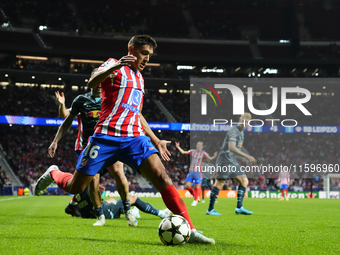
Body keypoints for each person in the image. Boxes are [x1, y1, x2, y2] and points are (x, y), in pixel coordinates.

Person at [35, 34, 215, 244]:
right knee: (76, 187)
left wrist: (155, 140)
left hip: (134, 139)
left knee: (162, 177)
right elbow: (93, 81)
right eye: (144, 53)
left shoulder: (139, 77)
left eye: (150, 55)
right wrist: (115, 66)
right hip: (105, 138)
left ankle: (190, 230)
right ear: (131, 50)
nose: (147, 58)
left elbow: (136, 112)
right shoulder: (114, 64)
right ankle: (54, 172)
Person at [42, 81, 136, 227]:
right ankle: (100, 216)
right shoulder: (81, 100)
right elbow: (66, 117)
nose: (99, 84)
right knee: (94, 181)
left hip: (109, 143)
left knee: (119, 173)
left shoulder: (113, 98)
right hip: (89, 146)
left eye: (102, 81)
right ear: (90, 82)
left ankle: (128, 210)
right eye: (96, 80)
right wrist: (55, 140)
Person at [206, 113, 256, 216]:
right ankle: (210, 209)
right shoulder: (233, 131)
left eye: (247, 122)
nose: (245, 124)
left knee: (244, 181)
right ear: (239, 120)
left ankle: (239, 207)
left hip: (232, 161)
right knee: (219, 184)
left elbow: (238, 148)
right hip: (224, 160)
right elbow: (231, 147)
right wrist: (247, 156)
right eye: (243, 121)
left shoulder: (241, 133)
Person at [65, 180, 171, 220]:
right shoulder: (89, 178)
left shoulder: (77, 184)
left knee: (111, 199)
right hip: (99, 211)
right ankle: (161, 213)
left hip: (86, 213)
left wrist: (97, 191)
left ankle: (133, 212)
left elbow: (85, 199)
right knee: (133, 198)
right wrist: (96, 189)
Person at [175, 141, 217, 206]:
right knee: (188, 186)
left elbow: (210, 159)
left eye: (200, 145)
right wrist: (178, 147)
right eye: (197, 145)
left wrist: (214, 156)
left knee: (198, 186)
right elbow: (183, 152)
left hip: (198, 172)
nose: (198, 146)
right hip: (191, 171)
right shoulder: (193, 151)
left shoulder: (203, 153)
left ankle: (195, 201)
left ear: (202, 147)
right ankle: (196, 196)